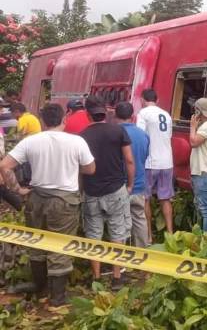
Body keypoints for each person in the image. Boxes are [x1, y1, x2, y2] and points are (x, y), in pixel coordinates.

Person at [0, 103, 95, 308]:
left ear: (42, 121)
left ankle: (40, 288)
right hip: (64, 202)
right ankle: (57, 297)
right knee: (60, 246)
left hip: (36, 198)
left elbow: (5, 166)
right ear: (64, 119)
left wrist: (17, 190)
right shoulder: (76, 141)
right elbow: (90, 169)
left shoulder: (31, 141)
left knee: (37, 243)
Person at [80, 96, 134, 290]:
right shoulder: (118, 131)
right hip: (116, 189)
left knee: (93, 234)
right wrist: (130, 185)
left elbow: (81, 168)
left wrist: (81, 190)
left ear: (88, 114)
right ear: (105, 112)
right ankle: (117, 277)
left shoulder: (82, 136)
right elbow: (129, 160)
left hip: (91, 191)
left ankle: (96, 278)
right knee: (117, 232)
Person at [136, 88, 174, 240]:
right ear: (157, 100)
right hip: (167, 162)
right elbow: (168, 136)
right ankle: (170, 234)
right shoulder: (166, 115)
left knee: (145, 199)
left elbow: (140, 136)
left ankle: (149, 236)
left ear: (142, 100)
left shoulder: (143, 114)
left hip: (150, 163)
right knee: (165, 198)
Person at [115, 101, 150, 248]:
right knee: (139, 219)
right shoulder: (143, 135)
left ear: (115, 116)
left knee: (118, 222)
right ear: (133, 116)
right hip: (139, 185)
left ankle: (120, 253)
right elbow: (144, 157)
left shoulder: (114, 133)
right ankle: (142, 251)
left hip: (119, 187)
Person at [189, 98, 207, 233]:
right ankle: (199, 236)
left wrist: (192, 127)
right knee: (200, 207)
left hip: (204, 172)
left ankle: (206, 239)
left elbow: (194, 142)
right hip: (202, 172)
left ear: (198, 111)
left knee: (205, 209)